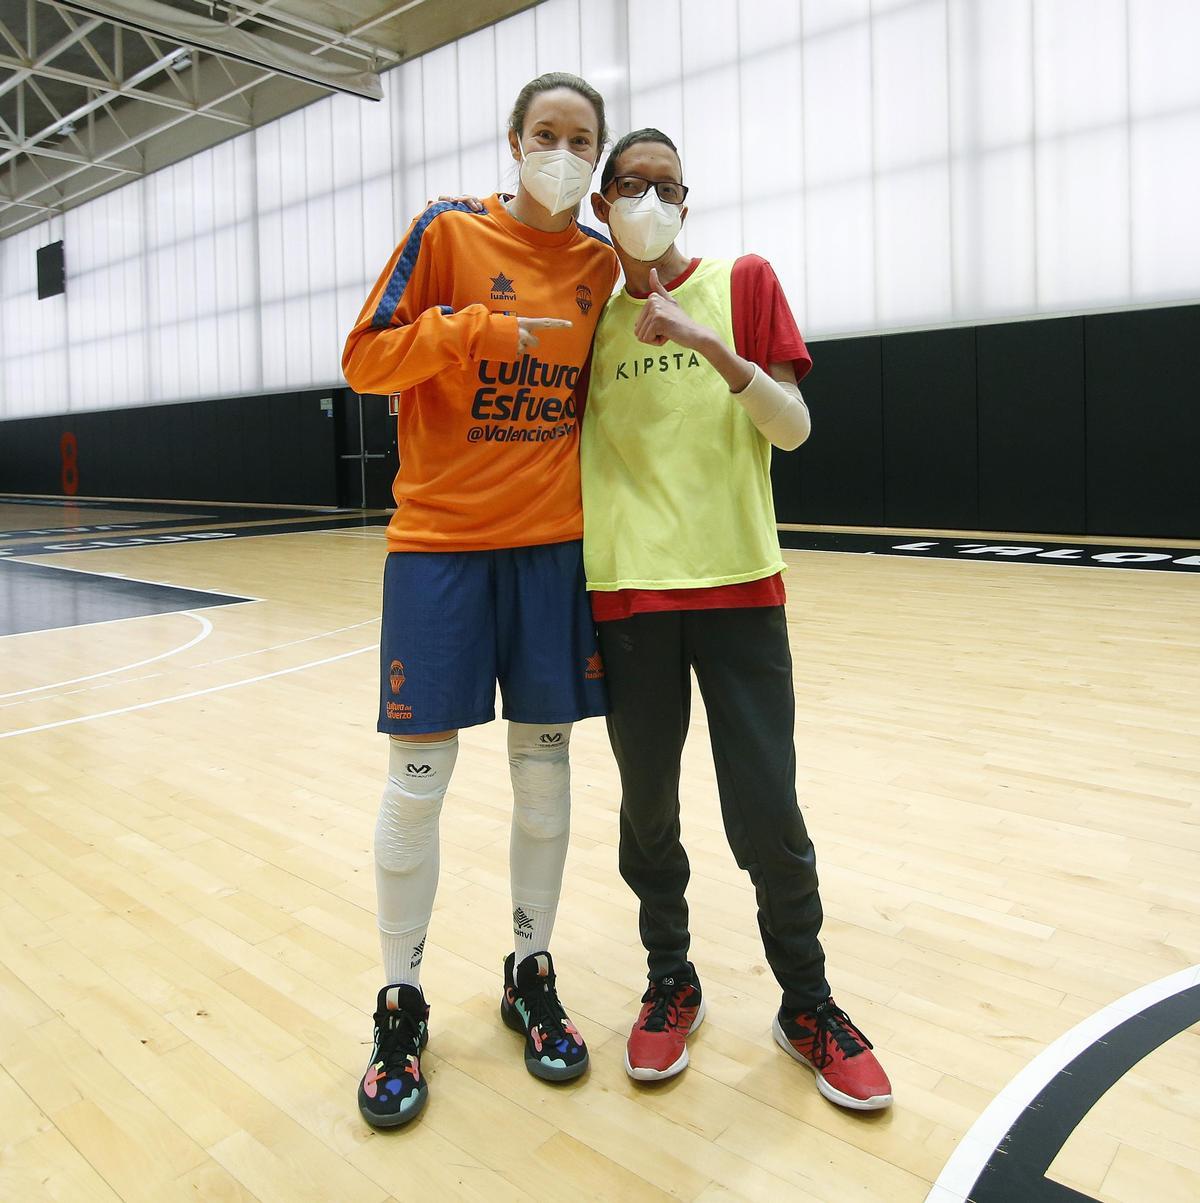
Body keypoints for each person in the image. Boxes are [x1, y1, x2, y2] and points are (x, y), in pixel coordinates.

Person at [580, 128, 893, 1110]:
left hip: (741, 588)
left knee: (768, 810)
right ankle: (671, 980)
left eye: (668, 185)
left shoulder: (744, 280)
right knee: (649, 810)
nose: (650, 199)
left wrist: (711, 344)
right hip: (629, 592)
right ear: (603, 204)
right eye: (631, 184)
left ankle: (807, 1002)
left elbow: (792, 429)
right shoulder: (585, 317)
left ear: (689, 200)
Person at [341, 72, 620, 1128]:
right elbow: (363, 359)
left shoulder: (601, 265)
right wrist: (460, 334)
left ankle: (529, 971)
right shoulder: (445, 233)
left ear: (594, 159)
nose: (562, 150)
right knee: (419, 782)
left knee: (544, 782)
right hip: (439, 553)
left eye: (579, 138)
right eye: (545, 133)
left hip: (549, 558)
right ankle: (401, 997)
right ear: (513, 142)